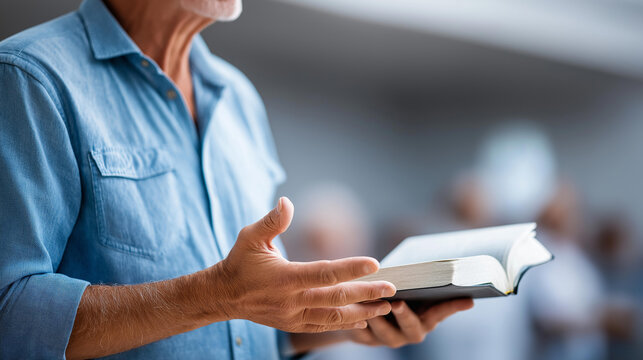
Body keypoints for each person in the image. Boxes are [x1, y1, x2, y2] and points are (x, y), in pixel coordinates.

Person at [0, 0, 472, 358]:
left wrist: (347, 321)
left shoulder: (238, 101)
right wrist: (217, 296)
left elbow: (255, 319)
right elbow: (9, 313)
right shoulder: (30, 79)